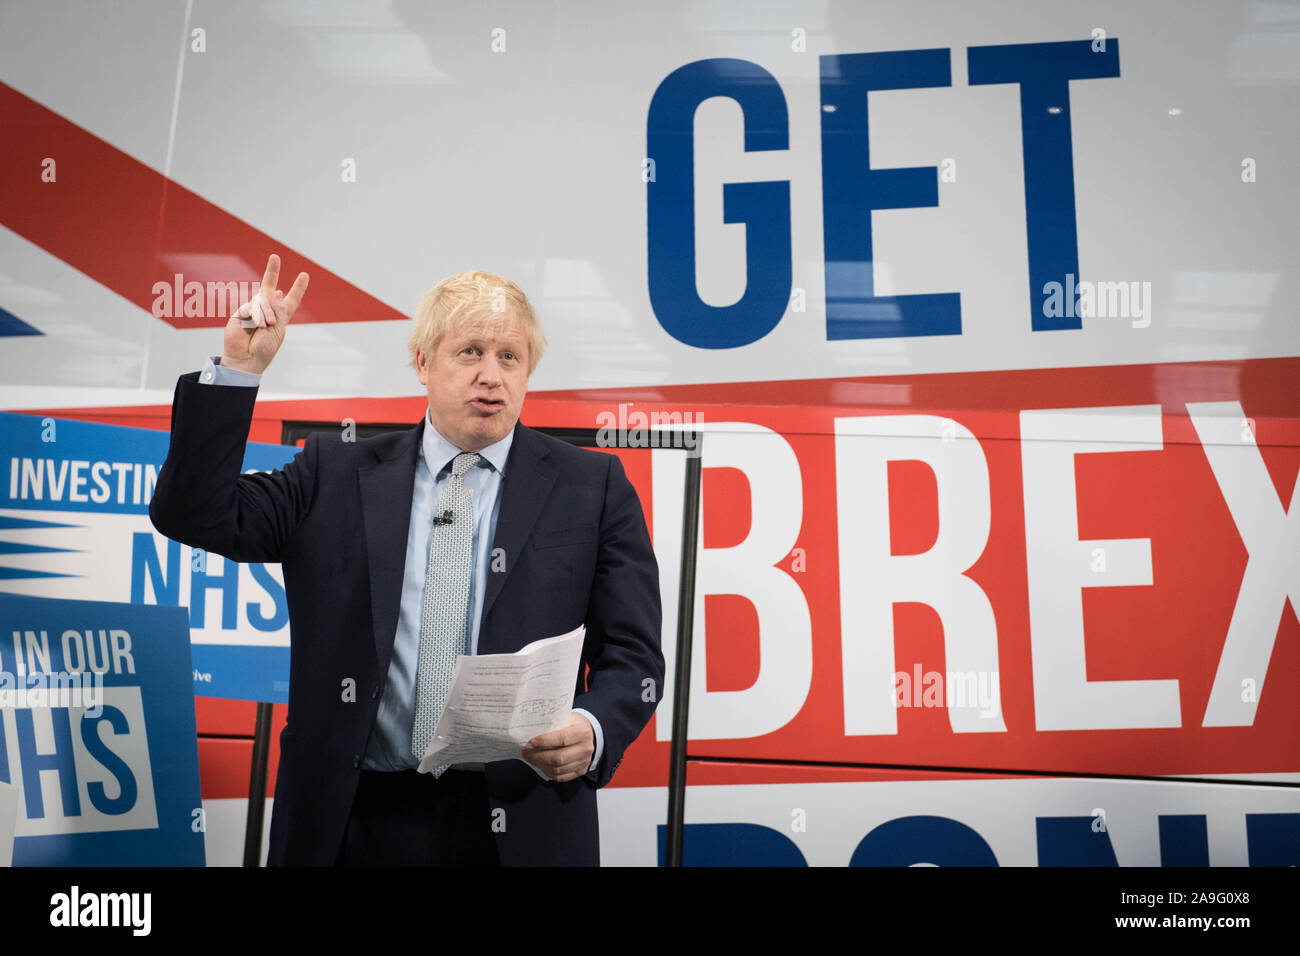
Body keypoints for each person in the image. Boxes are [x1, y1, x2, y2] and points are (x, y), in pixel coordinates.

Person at [150, 254, 664, 866]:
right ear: (423, 363)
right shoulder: (332, 472)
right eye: (470, 351)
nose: (492, 376)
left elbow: (633, 654)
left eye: (510, 357)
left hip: (517, 822)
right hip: (352, 822)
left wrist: (594, 728)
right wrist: (237, 372)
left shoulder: (593, 486)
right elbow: (194, 514)